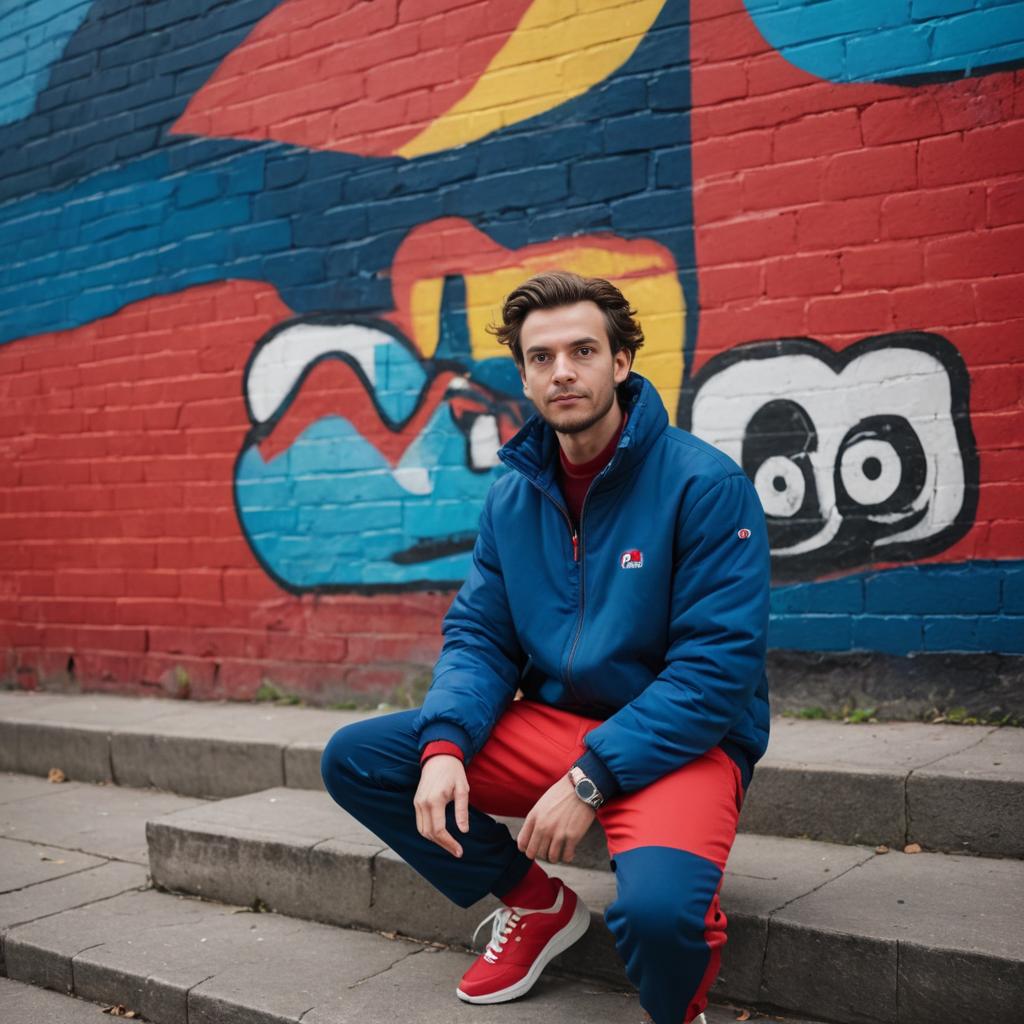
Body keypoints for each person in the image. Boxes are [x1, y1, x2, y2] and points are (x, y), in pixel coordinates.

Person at [321, 270, 771, 1024]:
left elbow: (715, 671)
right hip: (556, 731)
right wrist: (442, 747)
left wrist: (590, 780)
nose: (562, 370)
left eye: (583, 350)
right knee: (361, 758)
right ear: (524, 375)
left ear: (620, 362)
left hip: (684, 743)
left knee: (660, 917)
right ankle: (537, 907)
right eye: (540, 357)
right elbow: (480, 638)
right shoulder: (513, 495)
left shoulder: (704, 485)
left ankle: (679, 1013)